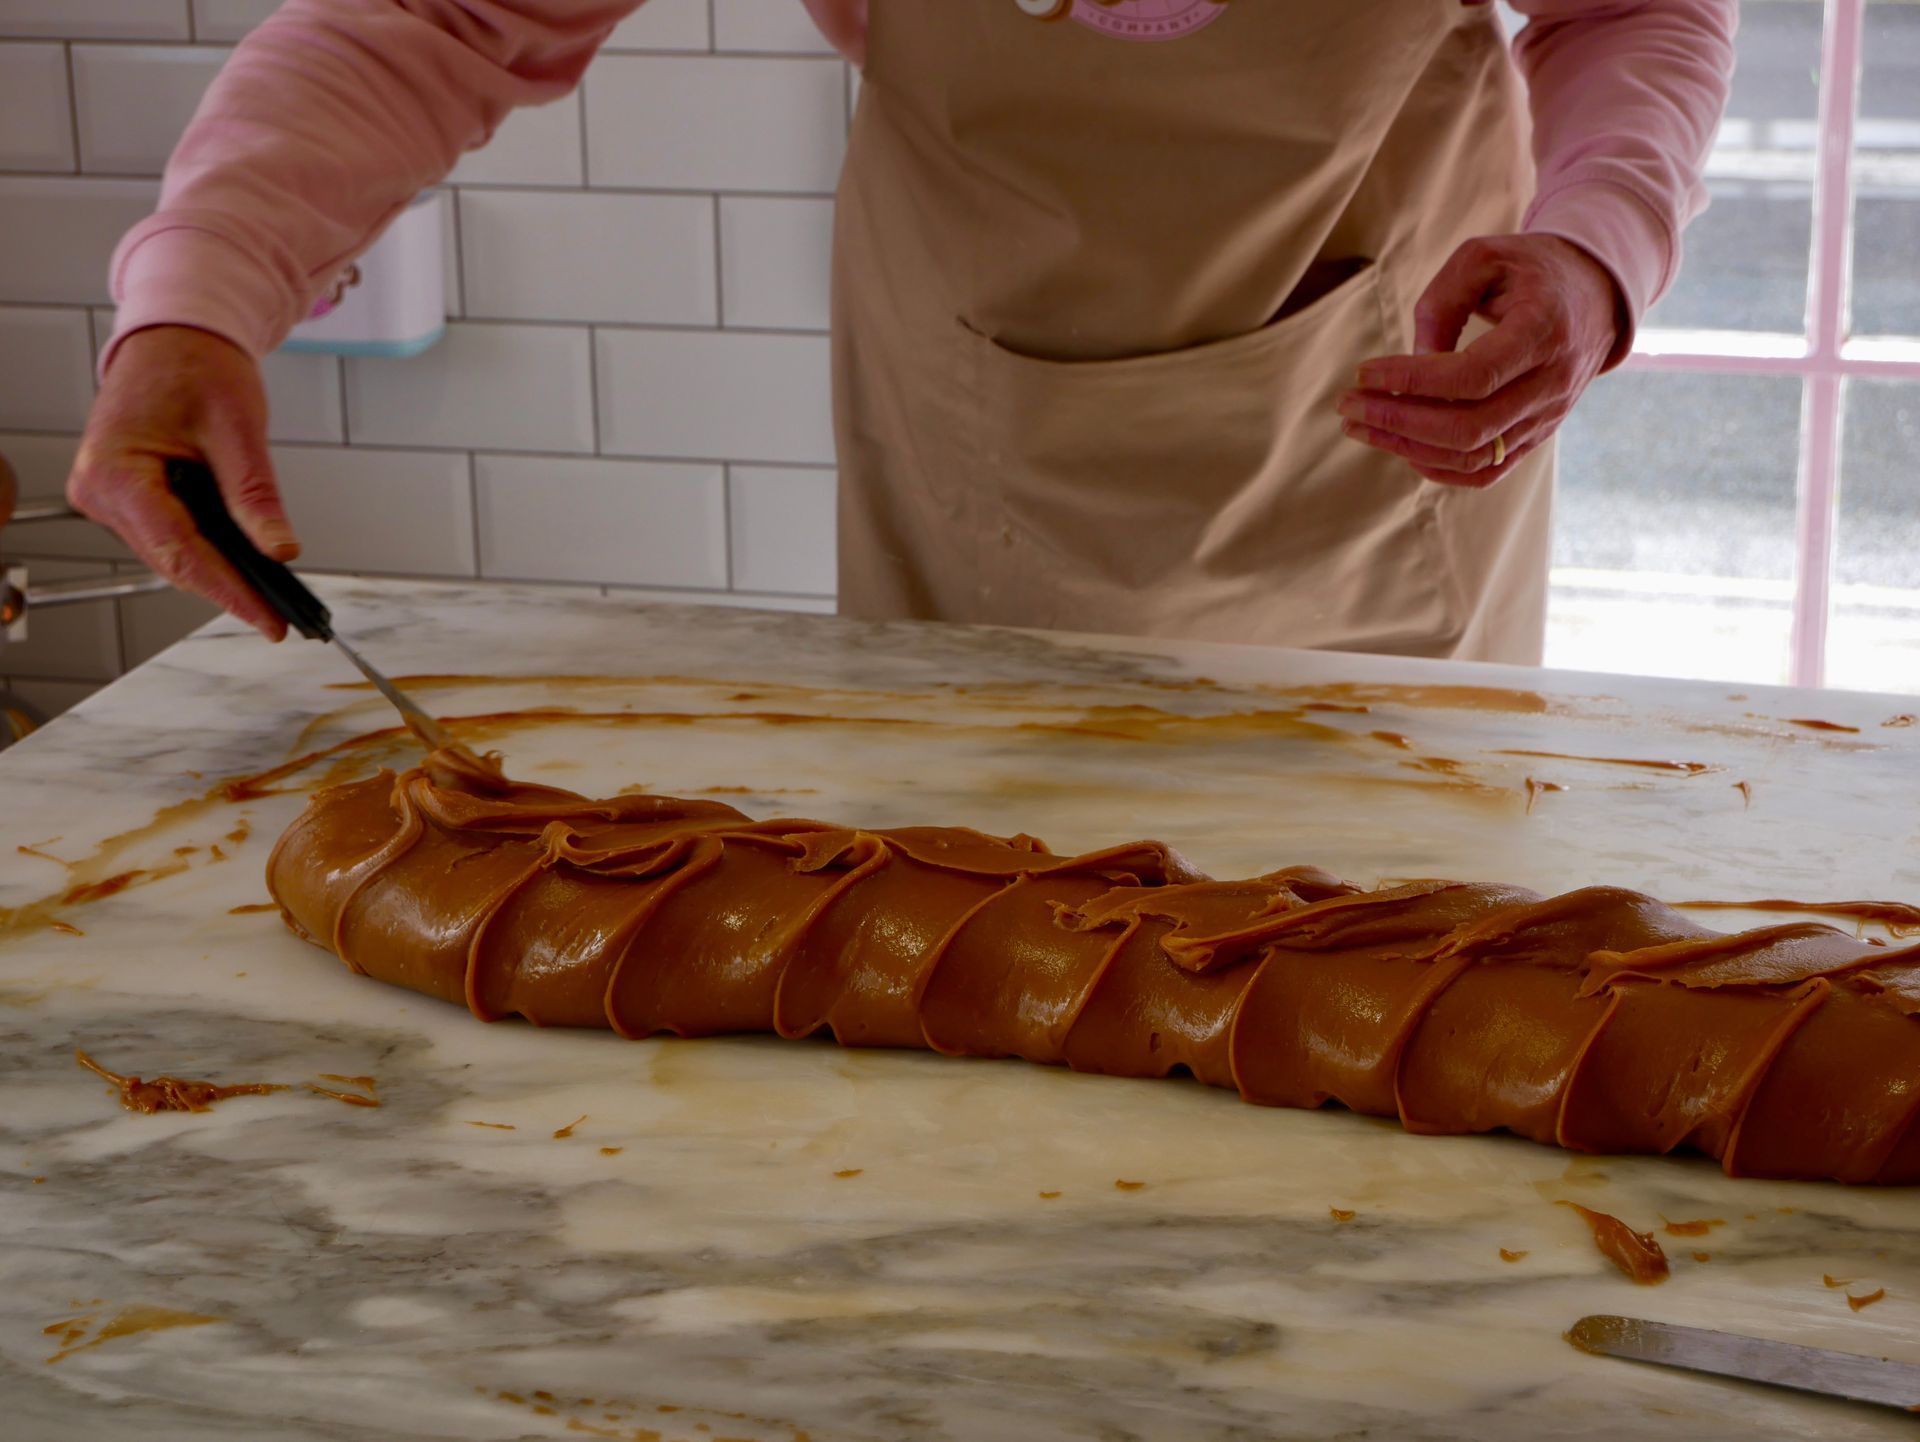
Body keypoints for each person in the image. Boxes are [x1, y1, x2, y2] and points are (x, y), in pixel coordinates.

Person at [66, 0, 1734, 664]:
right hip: (971, 423)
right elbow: (434, 19)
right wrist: (197, 294)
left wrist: (1598, 252)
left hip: (1385, 429)